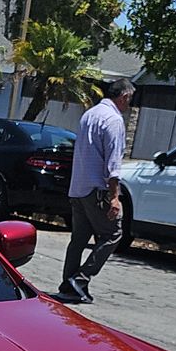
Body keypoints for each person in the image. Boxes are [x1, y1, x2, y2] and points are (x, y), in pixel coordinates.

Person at [57, 77, 136, 305]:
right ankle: (80, 280)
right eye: (129, 100)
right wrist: (114, 197)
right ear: (124, 97)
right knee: (113, 233)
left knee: (78, 239)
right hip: (96, 189)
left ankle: (68, 284)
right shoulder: (113, 120)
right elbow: (113, 164)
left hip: (78, 188)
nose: (128, 105)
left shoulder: (89, 115)